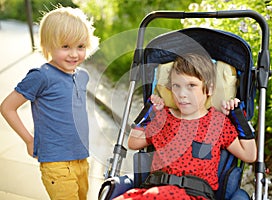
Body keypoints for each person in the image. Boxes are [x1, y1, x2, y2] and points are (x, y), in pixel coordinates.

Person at [114, 53, 257, 200]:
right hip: (157, 189)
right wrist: (148, 113)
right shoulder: (163, 117)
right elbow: (133, 143)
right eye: (176, 86)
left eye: (191, 86)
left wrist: (238, 118)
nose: (182, 94)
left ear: (209, 89)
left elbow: (249, 155)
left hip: (194, 195)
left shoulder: (217, 123)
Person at [0, 6, 99, 200]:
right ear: (48, 45)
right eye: (65, 46)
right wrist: (29, 140)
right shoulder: (41, 76)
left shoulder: (83, 76)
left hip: (81, 158)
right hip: (56, 163)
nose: (74, 54)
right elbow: (7, 107)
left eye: (80, 46)